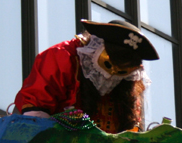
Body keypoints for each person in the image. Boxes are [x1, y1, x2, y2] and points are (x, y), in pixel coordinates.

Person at [14, 20, 158, 134]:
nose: (112, 74)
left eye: (121, 71)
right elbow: (35, 109)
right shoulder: (63, 57)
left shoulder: (129, 86)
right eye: (109, 64)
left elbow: (131, 128)